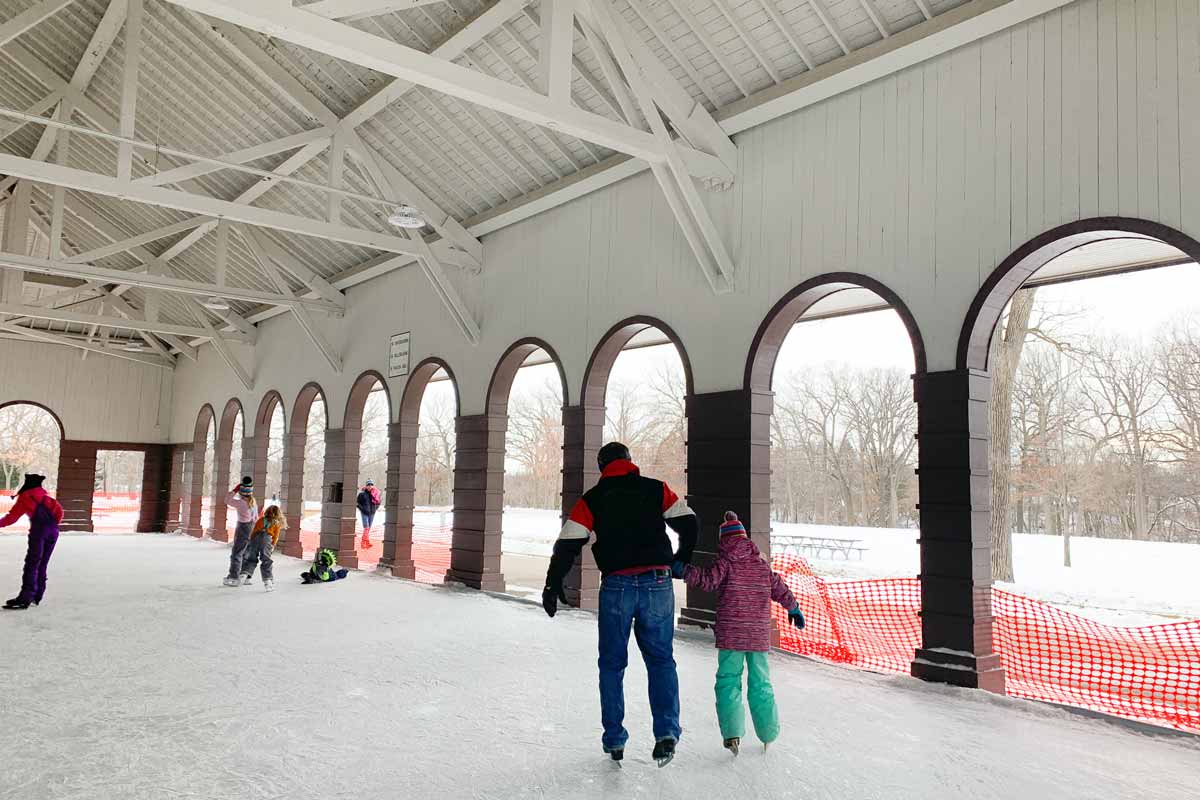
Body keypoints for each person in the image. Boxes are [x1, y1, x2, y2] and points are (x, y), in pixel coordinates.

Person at [542, 442, 698, 767]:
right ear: (629, 462)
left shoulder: (592, 499)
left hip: (617, 588)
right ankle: (666, 733)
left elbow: (568, 544)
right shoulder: (655, 489)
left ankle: (614, 738)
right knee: (661, 661)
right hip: (658, 583)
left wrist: (552, 583)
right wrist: (680, 559)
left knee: (612, 665)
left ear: (602, 467)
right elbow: (690, 522)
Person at [673, 511, 806, 756]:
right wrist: (794, 608)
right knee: (761, 682)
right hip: (757, 637)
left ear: (723, 540)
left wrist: (683, 570)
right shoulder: (761, 566)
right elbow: (780, 589)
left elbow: (707, 580)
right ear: (745, 539)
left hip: (732, 636)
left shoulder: (725, 563)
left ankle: (733, 733)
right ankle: (768, 733)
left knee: (728, 681)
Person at [2, 474, 64, 610]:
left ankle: (25, 598)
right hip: (53, 531)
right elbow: (59, 512)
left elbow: (11, 518)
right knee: (43, 564)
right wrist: (52, 526)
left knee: (32, 564)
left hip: (38, 532)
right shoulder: (47, 498)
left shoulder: (25, 498)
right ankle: (37, 595)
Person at [240, 504, 284, 592]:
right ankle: (268, 581)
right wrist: (272, 546)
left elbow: (254, 531)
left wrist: (250, 542)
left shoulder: (261, 520)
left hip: (255, 538)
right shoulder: (276, 523)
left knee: (251, 559)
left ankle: (244, 576)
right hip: (266, 539)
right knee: (266, 560)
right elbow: (275, 537)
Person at [222, 477, 258, 587]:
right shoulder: (253, 502)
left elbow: (226, 500)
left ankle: (233, 577)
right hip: (252, 527)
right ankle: (244, 575)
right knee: (246, 552)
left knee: (236, 553)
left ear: (241, 492)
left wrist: (234, 490)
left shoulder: (241, 503)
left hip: (243, 528)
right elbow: (256, 517)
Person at [356, 479, 381, 550]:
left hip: (372, 513)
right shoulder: (362, 494)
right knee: (366, 527)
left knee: (368, 528)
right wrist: (362, 509)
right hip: (364, 513)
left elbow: (378, 502)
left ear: (373, 485)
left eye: (371, 484)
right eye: (368, 485)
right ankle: (363, 542)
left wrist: (375, 509)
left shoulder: (375, 494)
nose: (370, 486)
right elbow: (357, 503)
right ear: (366, 486)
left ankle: (367, 542)